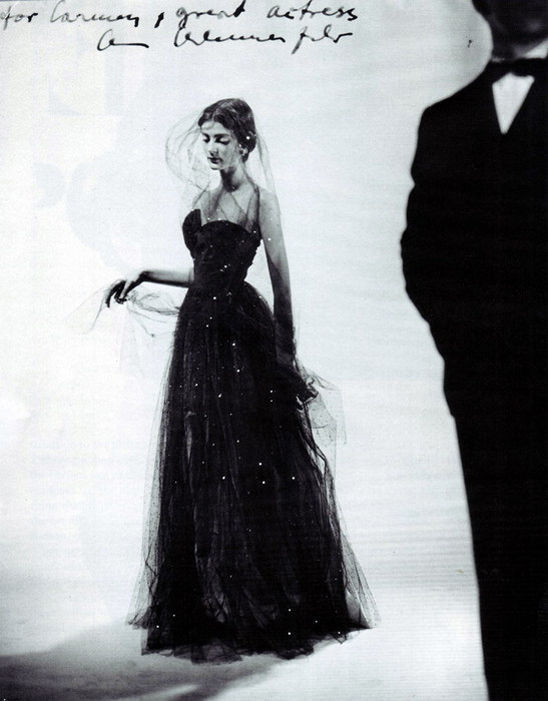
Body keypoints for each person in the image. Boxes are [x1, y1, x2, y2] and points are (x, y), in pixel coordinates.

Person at [107, 98, 378, 662]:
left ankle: (267, 599)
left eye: (222, 139)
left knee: (251, 460)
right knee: (203, 460)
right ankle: (218, 599)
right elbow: (202, 273)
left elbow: (282, 282)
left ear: (246, 143)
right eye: (207, 137)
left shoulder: (261, 201)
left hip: (240, 337)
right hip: (198, 338)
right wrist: (144, 272)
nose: (212, 148)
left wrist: (285, 354)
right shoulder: (203, 201)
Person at [401, 2, 547, 698]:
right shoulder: (445, 120)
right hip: (486, 386)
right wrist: (469, 347)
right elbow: (423, 254)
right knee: (503, 559)